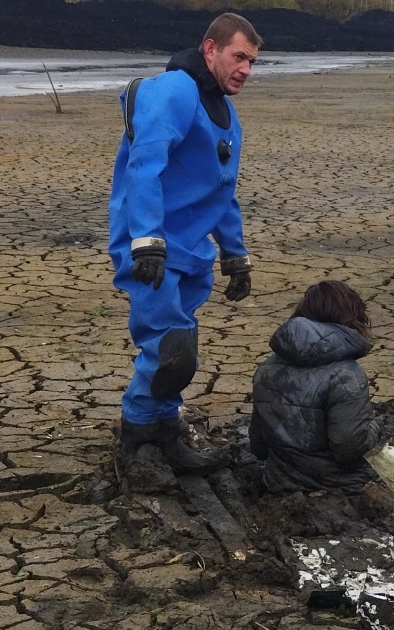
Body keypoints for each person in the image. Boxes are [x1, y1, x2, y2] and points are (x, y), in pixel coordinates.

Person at [108, 13, 261, 475]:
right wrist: (147, 239)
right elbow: (145, 164)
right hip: (154, 248)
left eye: (253, 62)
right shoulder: (175, 90)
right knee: (170, 347)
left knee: (181, 348)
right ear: (210, 49)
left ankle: (166, 432)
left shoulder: (225, 115)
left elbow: (221, 189)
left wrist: (235, 254)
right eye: (239, 57)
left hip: (190, 252)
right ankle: (136, 439)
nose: (246, 70)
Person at [249, 280, 382, 494]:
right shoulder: (346, 376)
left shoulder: (266, 368)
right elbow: (349, 448)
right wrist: (376, 427)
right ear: (352, 320)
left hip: (278, 485)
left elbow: (258, 445)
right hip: (341, 489)